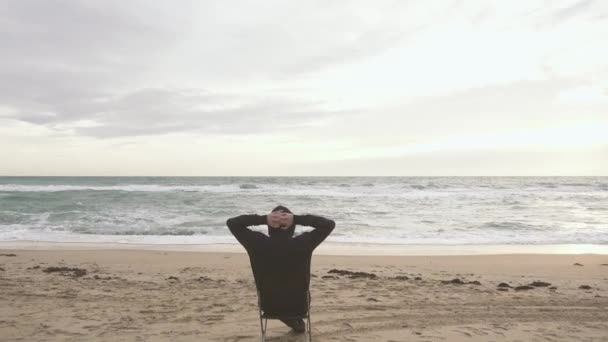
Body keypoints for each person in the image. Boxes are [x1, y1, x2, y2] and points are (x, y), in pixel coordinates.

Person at [226, 205, 335, 333]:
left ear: (269, 226)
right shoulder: (303, 243)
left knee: (277, 292)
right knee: (293, 292)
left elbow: (232, 223)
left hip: (268, 306)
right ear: (292, 226)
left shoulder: (256, 243)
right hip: (299, 307)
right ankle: (296, 321)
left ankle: (294, 322)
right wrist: (296, 219)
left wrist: (263, 219)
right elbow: (329, 224)